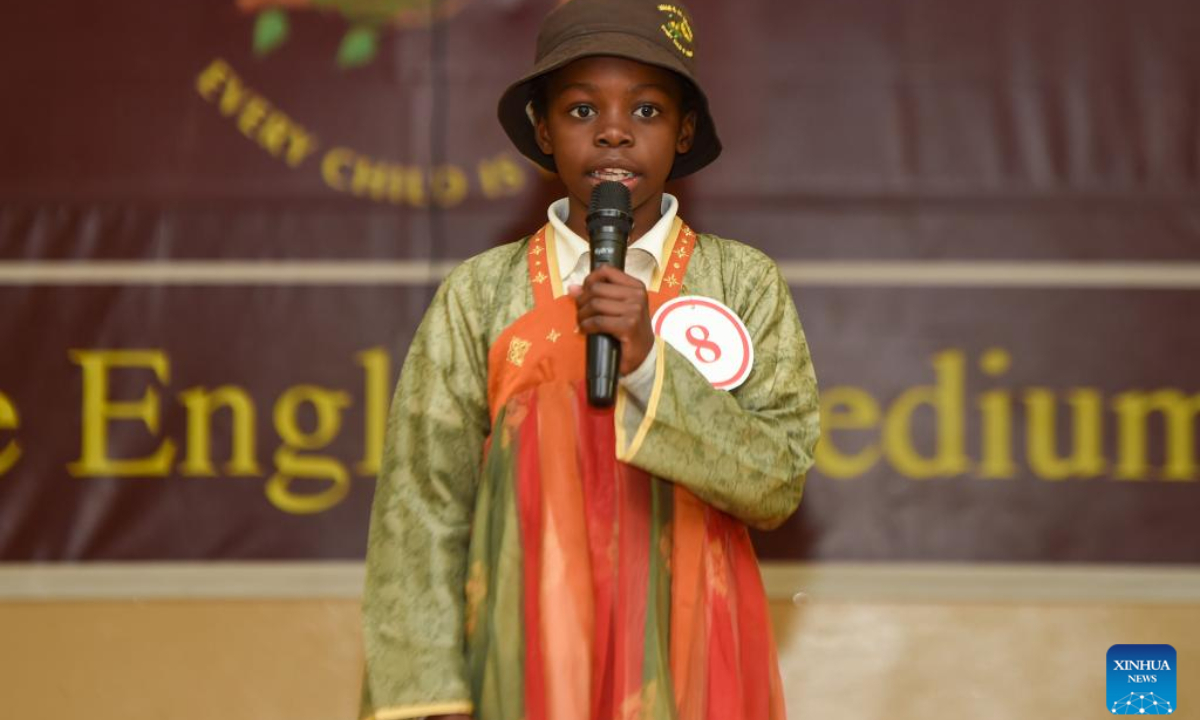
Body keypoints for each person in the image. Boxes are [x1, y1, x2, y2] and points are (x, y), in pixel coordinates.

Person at [359, 0, 820, 718]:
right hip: (524, 654)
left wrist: (647, 365)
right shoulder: (481, 294)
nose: (612, 130)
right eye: (580, 111)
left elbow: (777, 480)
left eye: (646, 111)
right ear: (542, 129)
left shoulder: (742, 282)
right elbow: (421, 506)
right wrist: (428, 692)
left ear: (685, 129)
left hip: (693, 659)